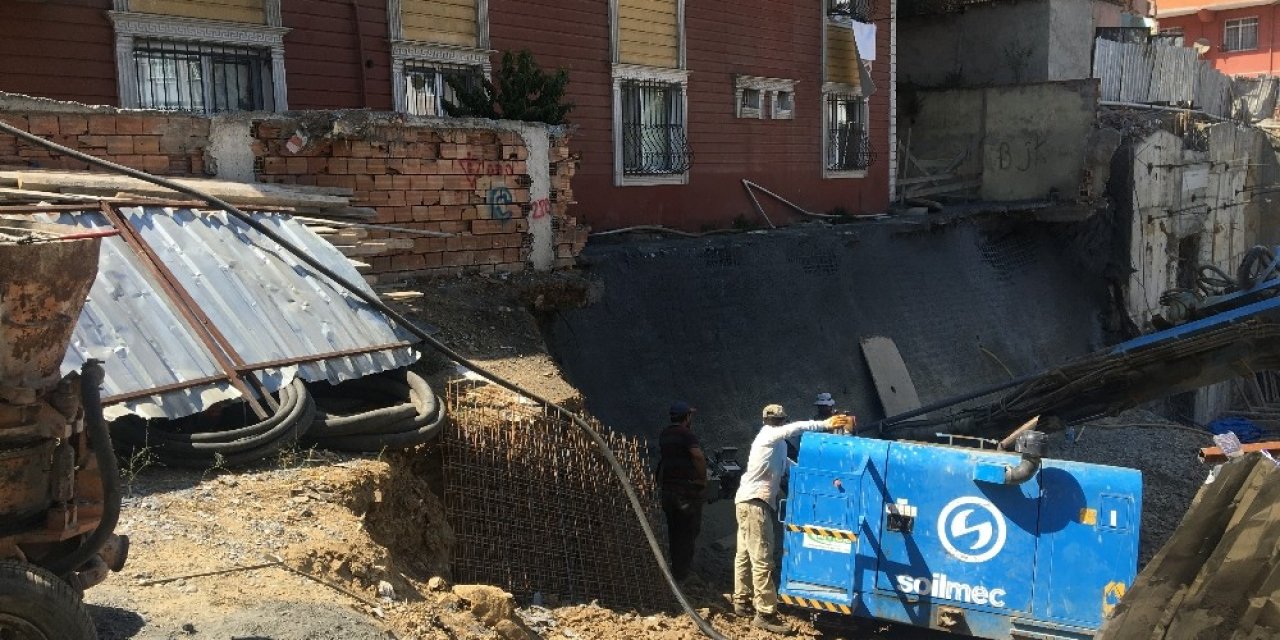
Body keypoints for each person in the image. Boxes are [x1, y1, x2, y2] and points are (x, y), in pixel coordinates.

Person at [733, 404, 854, 635]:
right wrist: (825, 424)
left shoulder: (777, 446)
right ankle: (765, 613)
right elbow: (795, 429)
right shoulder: (769, 435)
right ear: (781, 421)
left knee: (745, 554)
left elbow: (793, 468)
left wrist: (824, 481)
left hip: (748, 503)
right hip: (755, 504)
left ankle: (742, 600)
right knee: (762, 559)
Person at [657, 401, 706, 582]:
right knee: (688, 532)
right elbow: (697, 456)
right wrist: (702, 479)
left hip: (668, 492)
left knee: (675, 532)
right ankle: (683, 575)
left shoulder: (665, 434)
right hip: (685, 493)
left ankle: (675, 571)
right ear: (686, 417)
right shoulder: (686, 434)